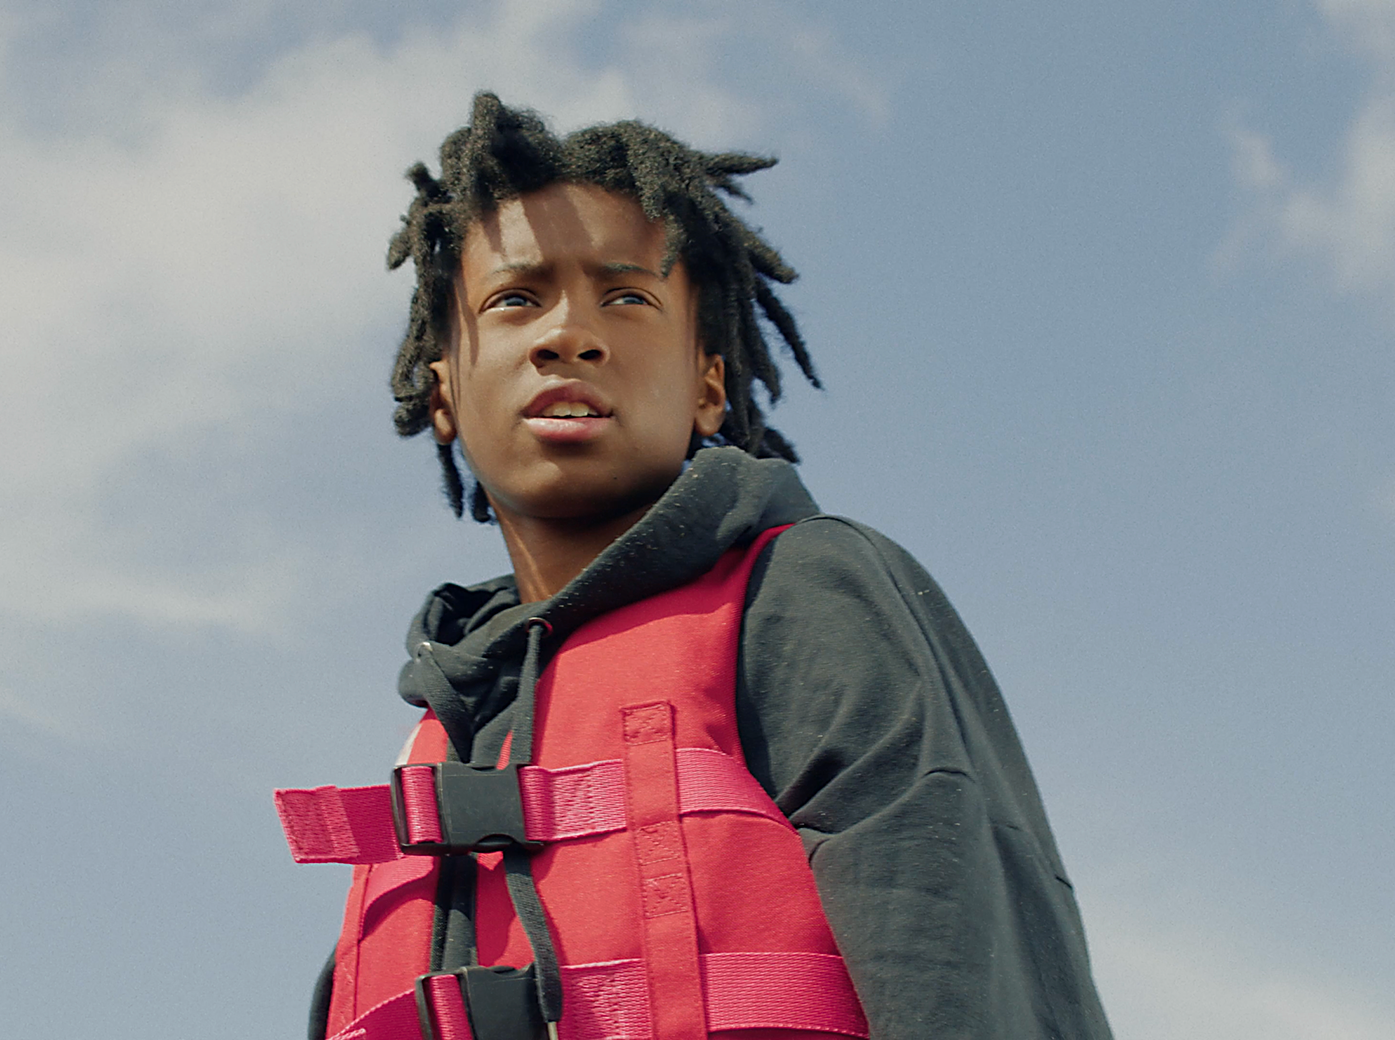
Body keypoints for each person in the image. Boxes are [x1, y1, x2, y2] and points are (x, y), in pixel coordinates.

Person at [275, 92, 1112, 1040]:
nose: (568, 335)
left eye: (626, 297)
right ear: (441, 394)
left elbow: (954, 940)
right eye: (515, 299)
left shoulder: (802, 591)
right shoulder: (439, 732)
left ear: (708, 386)